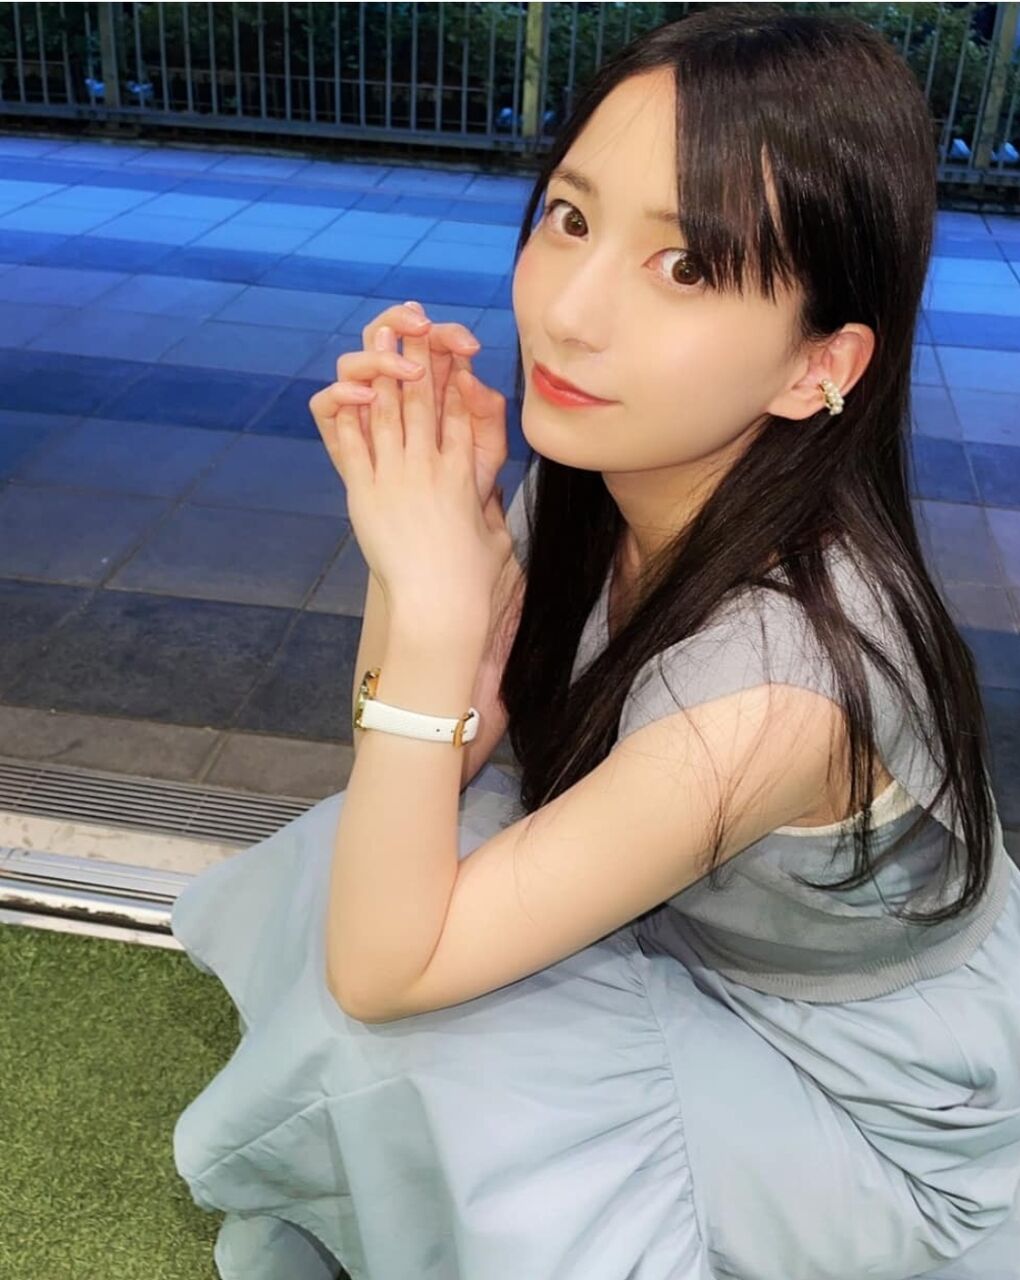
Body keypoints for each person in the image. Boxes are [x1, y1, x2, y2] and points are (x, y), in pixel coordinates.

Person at [170, 7, 1020, 1278]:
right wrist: (432, 544)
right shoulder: (621, 470)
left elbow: (382, 971)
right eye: (571, 217)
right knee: (388, 847)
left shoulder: (783, 688)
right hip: (704, 953)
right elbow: (424, 752)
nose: (567, 312)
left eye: (687, 267)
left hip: (873, 1110)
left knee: (408, 1014)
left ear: (818, 365)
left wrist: (441, 602)